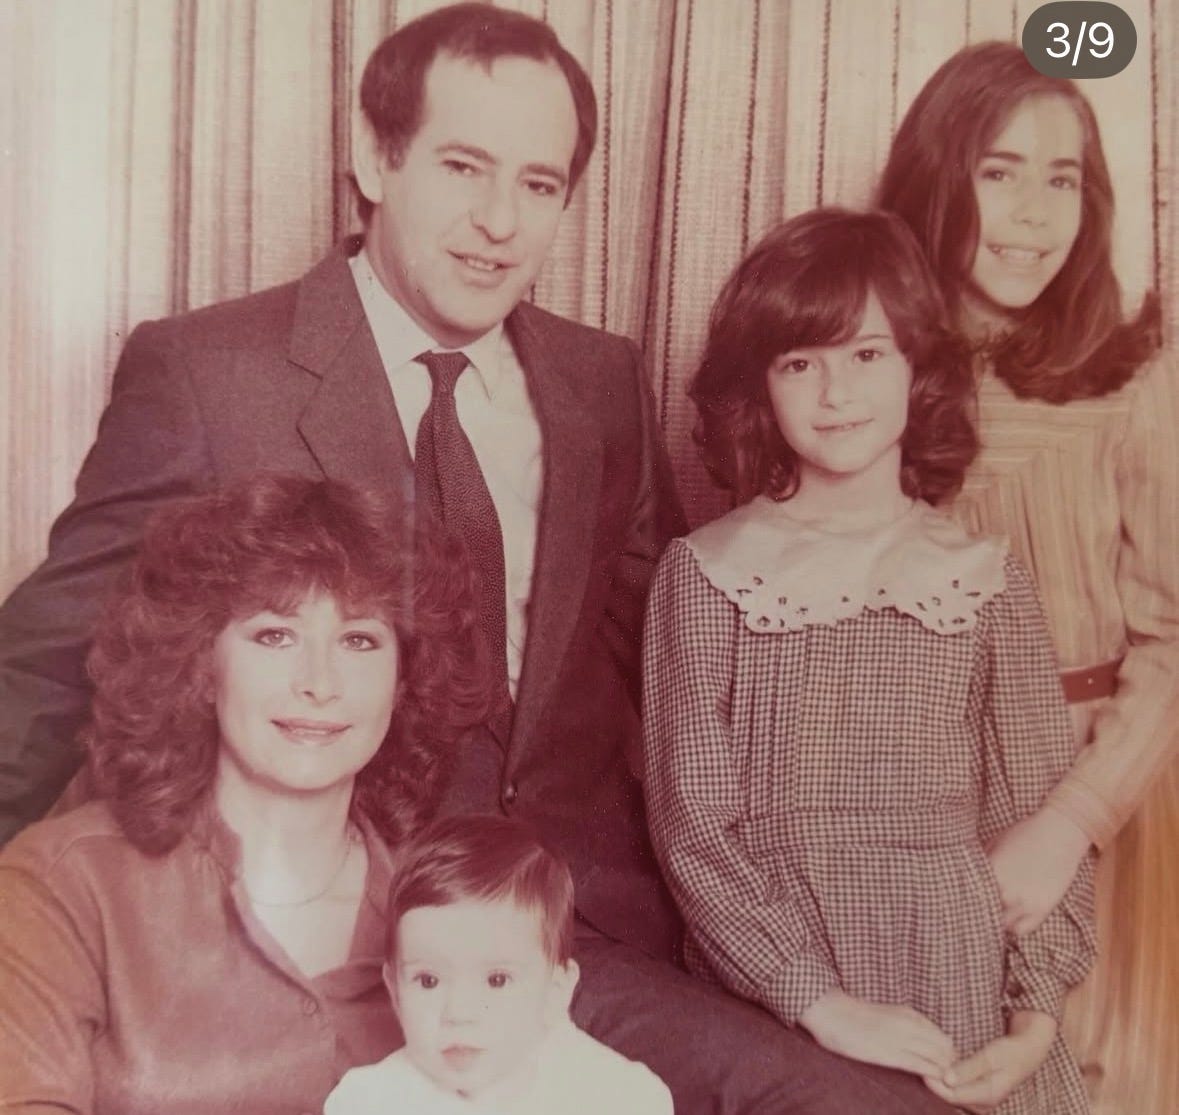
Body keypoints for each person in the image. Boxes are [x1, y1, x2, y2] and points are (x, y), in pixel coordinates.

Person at [0, 6, 958, 1111]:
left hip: (577, 934)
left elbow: (669, 672)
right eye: (463, 167)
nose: (500, 222)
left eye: (539, 184)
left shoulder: (601, 382)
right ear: (376, 158)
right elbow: (45, 665)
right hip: (341, 942)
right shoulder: (211, 373)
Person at [644, 208, 1098, 1115]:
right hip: (779, 993)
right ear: (758, 385)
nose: (835, 392)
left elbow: (1036, 819)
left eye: (865, 353)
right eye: (798, 362)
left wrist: (1032, 1021)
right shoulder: (705, 574)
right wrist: (818, 1001)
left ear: (917, 368)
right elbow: (693, 831)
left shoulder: (984, 578)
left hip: (962, 984)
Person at [875, 42, 1179, 1115]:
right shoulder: (859, 369)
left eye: (1063, 180)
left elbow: (1175, 637)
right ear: (935, 179)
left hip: (1098, 802)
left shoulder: (1134, 378)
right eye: (998, 172)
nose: (1034, 215)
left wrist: (1068, 824)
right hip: (907, 802)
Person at [0, 473, 490, 1112]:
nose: (320, 683)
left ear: (403, 682)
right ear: (202, 668)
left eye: (359, 640)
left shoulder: (457, 909)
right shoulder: (64, 884)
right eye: (275, 636)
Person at [325, 814, 673, 1115]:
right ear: (395, 990)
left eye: (496, 980)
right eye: (428, 980)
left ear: (555, 991)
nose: (459, 1013)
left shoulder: (617, 1097)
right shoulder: (368, 1101)